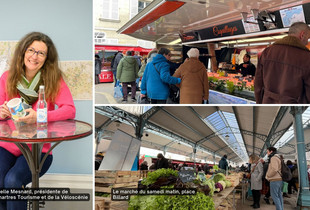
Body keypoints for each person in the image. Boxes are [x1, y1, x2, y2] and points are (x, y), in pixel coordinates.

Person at [0, 32, 76, 210]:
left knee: (12, 180)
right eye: (31, 50)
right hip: (8, 146)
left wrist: (40, 116)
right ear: (23, 52)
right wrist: (1, 112)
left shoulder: (53, 79)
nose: (34, 56)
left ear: (47, 58)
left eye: (41, 53)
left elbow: (70, 109)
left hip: (38, 149)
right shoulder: (7, 77)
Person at [255, 22, 310, 104]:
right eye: (308, 38)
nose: (307, 42)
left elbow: (258, 84)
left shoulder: (267, 52)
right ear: (302, 35)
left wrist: (260, 103)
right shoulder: (307, 58)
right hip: (292, 109)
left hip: (267, 102)